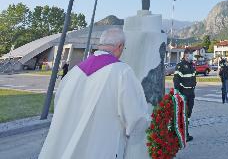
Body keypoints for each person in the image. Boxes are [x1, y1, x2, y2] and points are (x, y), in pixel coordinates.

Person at [39, 28, 150, 159]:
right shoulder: (122, 72)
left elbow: (59, 106)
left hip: (65, 145)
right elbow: (136, 118)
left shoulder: (74, 72)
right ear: (120, 46)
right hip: (102, 148)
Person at [174, 50, 197, 142]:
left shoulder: (192, 65)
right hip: (184, 93)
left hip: (191, 92)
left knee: (188, 114)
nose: (192, 56)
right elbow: (176, 79)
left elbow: (193, 78)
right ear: (186, 55)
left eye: (192, 55)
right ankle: (182, 134)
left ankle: (185, 133)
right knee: (183, 114)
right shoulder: (180, 65)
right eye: (190, 55)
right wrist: (178, 92)